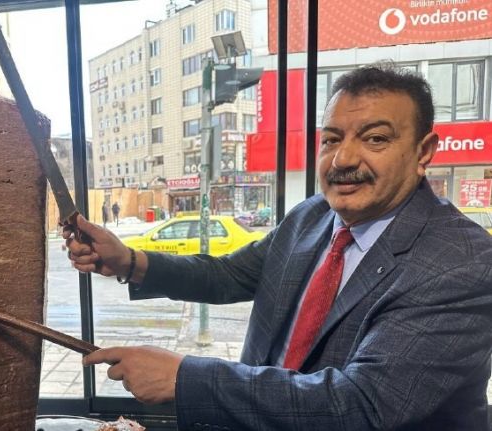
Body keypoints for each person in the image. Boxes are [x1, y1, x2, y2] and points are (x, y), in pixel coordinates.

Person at [64, 64, 492, 430]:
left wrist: (184, 379)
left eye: (375, 139)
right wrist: (129, 261)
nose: (343, 159)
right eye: (331, 139)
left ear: (423, 152)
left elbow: (361, 405)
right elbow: (228, 275)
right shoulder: (312, 215)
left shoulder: (461, 262)